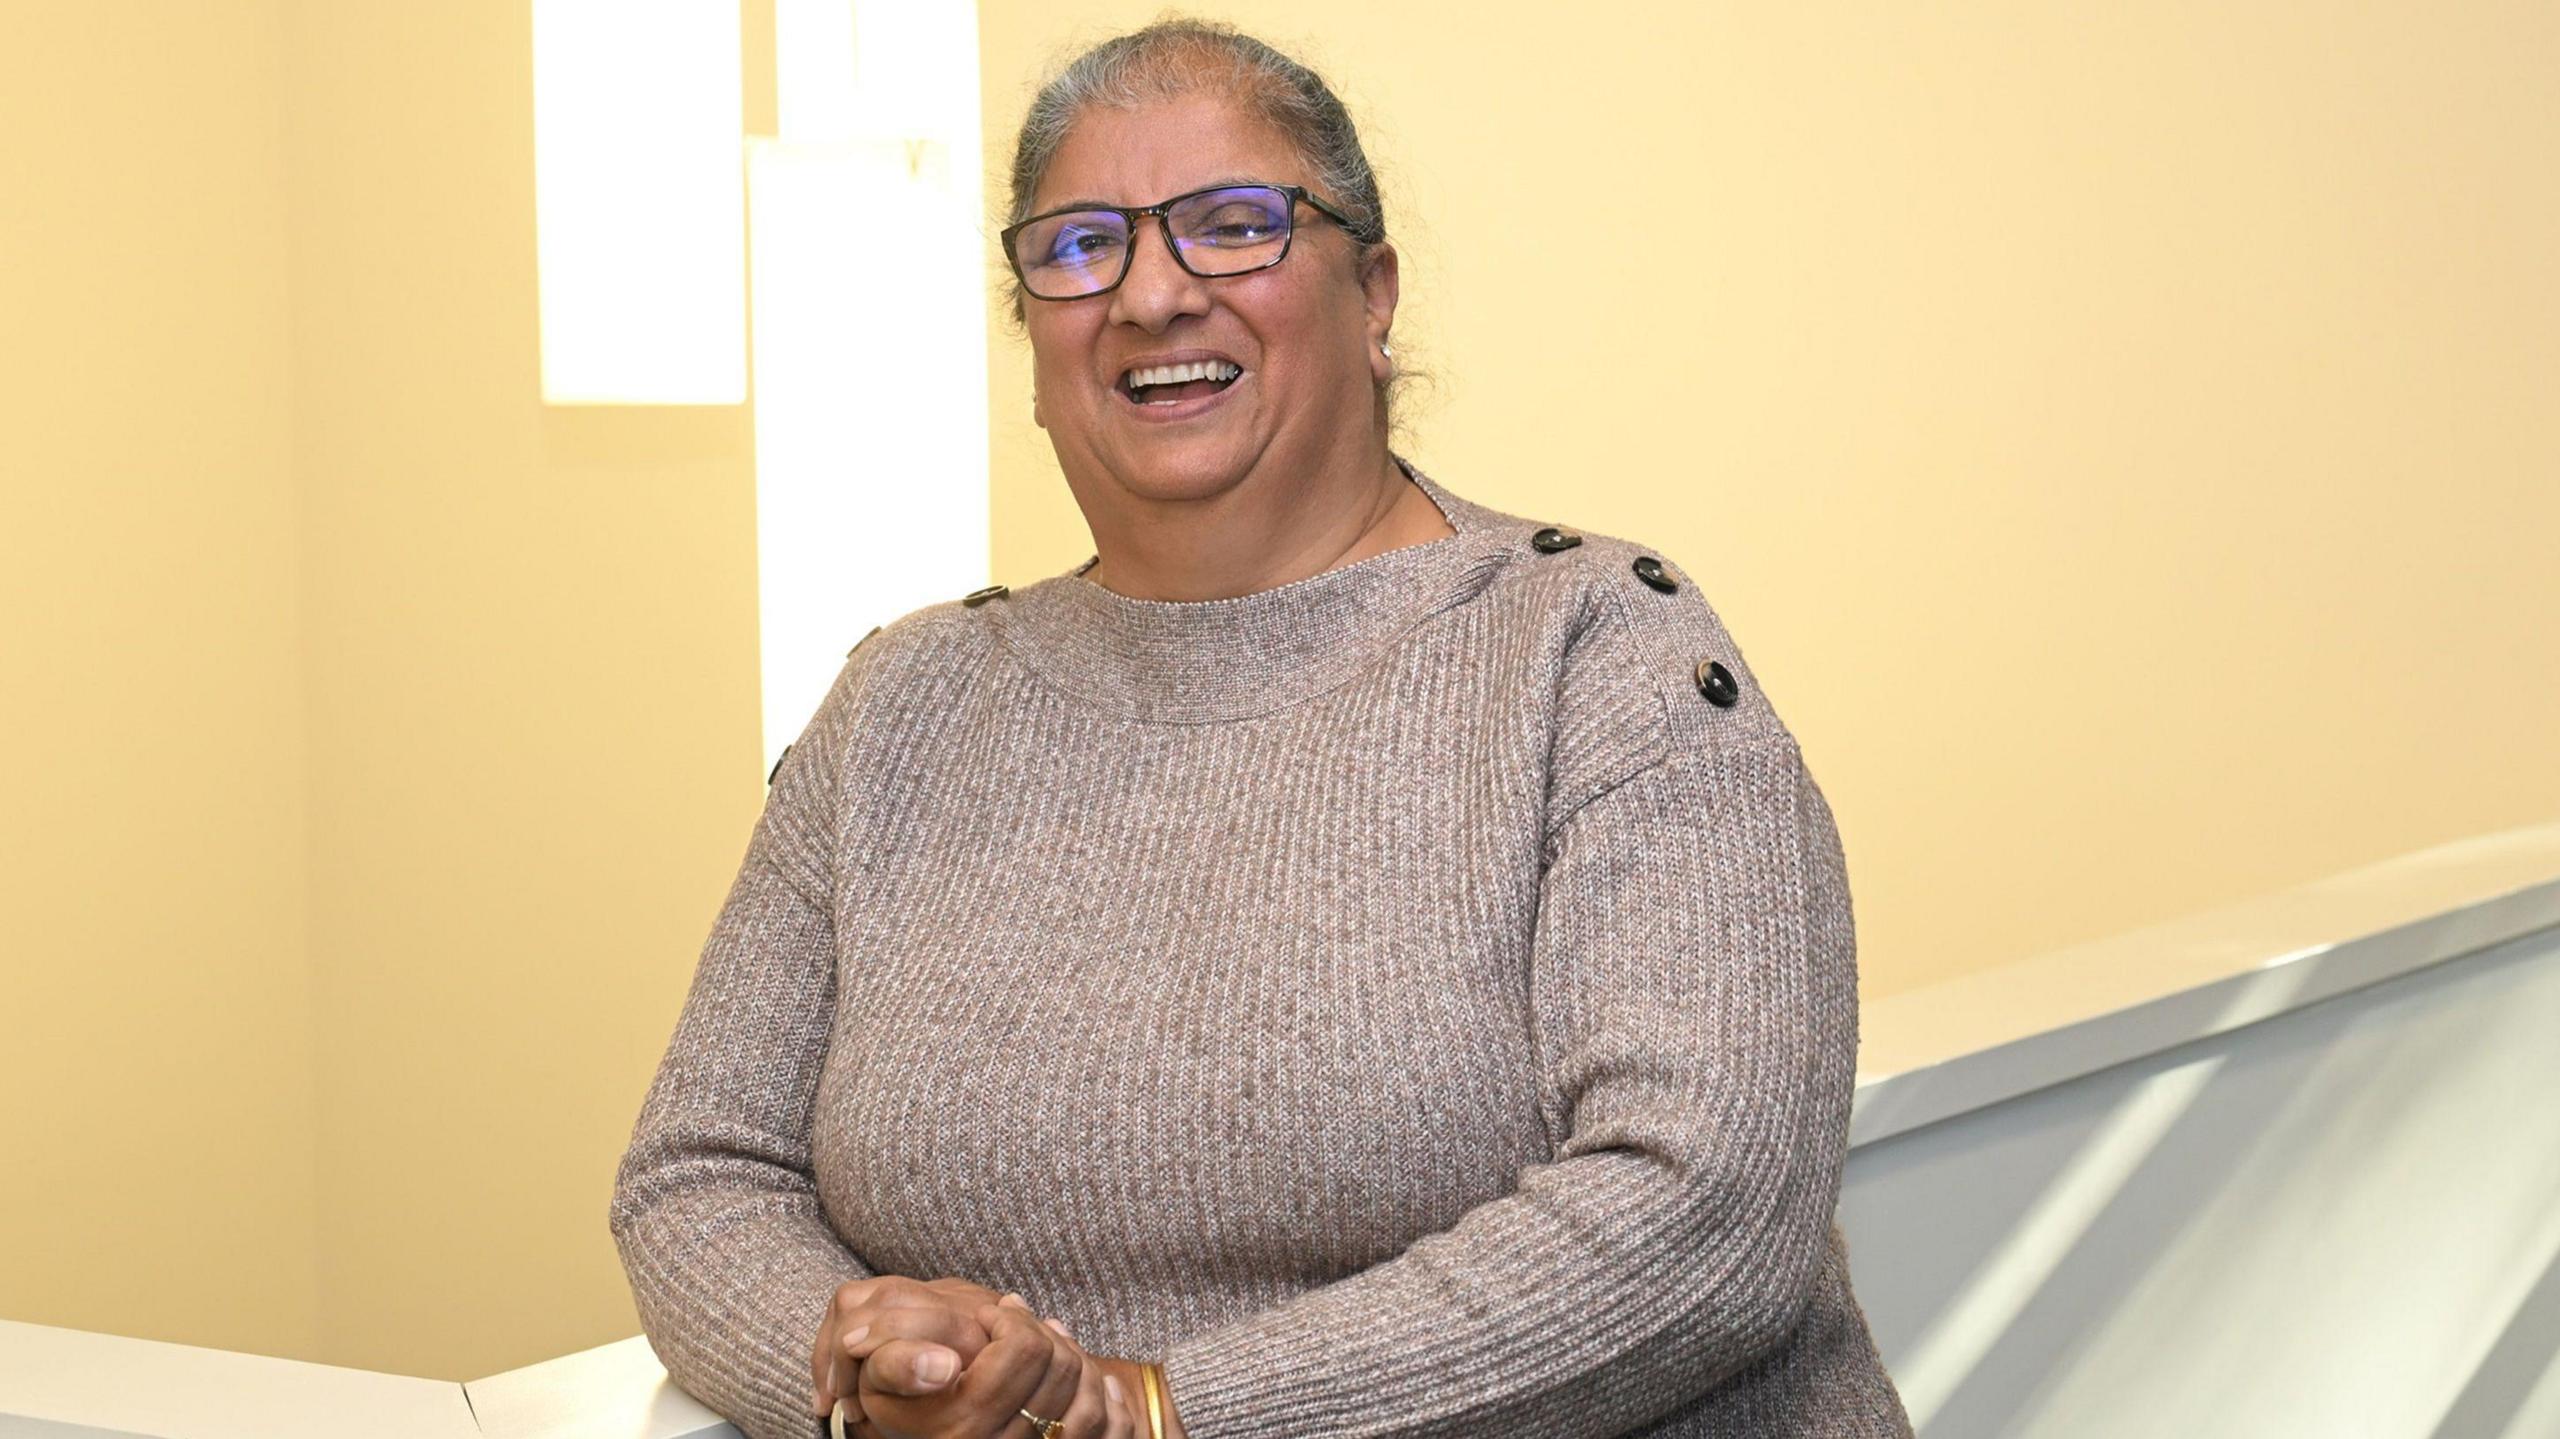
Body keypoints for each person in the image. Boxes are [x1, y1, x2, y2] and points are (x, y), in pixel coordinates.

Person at [609, 18, 1914, 1439]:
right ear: (1030, 332)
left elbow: (1704, 1212)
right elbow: (699, 1176)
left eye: (1234, 227)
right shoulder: (902, 707)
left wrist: (1155, 1414)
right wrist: (878, 1384)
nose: (1152, 294)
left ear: (1374, 296)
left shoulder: (1600, 652)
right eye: (1079, 246)